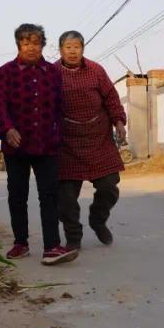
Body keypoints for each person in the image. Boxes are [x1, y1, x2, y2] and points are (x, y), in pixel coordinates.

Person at [0, 23, 77, 266]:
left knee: (49, 195)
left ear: (42, 45)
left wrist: (58, 134)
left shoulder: (52, 72)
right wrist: (8, 128)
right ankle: (21, 243)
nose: (31, 47)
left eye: (36, 42)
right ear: (18, 44)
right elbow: (1, 104)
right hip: (16, 144)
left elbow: (59, 106)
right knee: (17, 195)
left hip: (47, 144)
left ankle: (52, 246)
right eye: (26, 42)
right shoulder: (6, 71)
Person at [55, 30, 127, 249]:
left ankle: (98, 219)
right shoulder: (51, 73)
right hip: (66, 143)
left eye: (77, 46)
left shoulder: (96, 70)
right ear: (61, 50)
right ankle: (73, 238)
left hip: (98, 138)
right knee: (65, 197)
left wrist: (119, 121)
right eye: (68, 47)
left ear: (83, 49)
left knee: (109, 186)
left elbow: (112, 98)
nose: (73, 51)